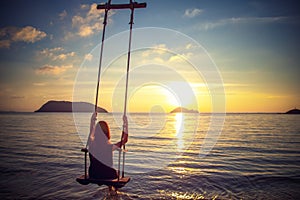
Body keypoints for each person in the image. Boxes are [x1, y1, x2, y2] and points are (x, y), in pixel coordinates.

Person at [87, 112, 128, 179]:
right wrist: (126, 124)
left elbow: (91, 131)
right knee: (114, 172)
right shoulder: (110, 147)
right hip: (107, 174)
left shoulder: (91, 143)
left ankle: (110, 187)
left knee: (106, 169)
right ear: (107, 132)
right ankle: (112, 188)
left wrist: (92, 120)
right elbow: (124, 140)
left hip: (93, 174)